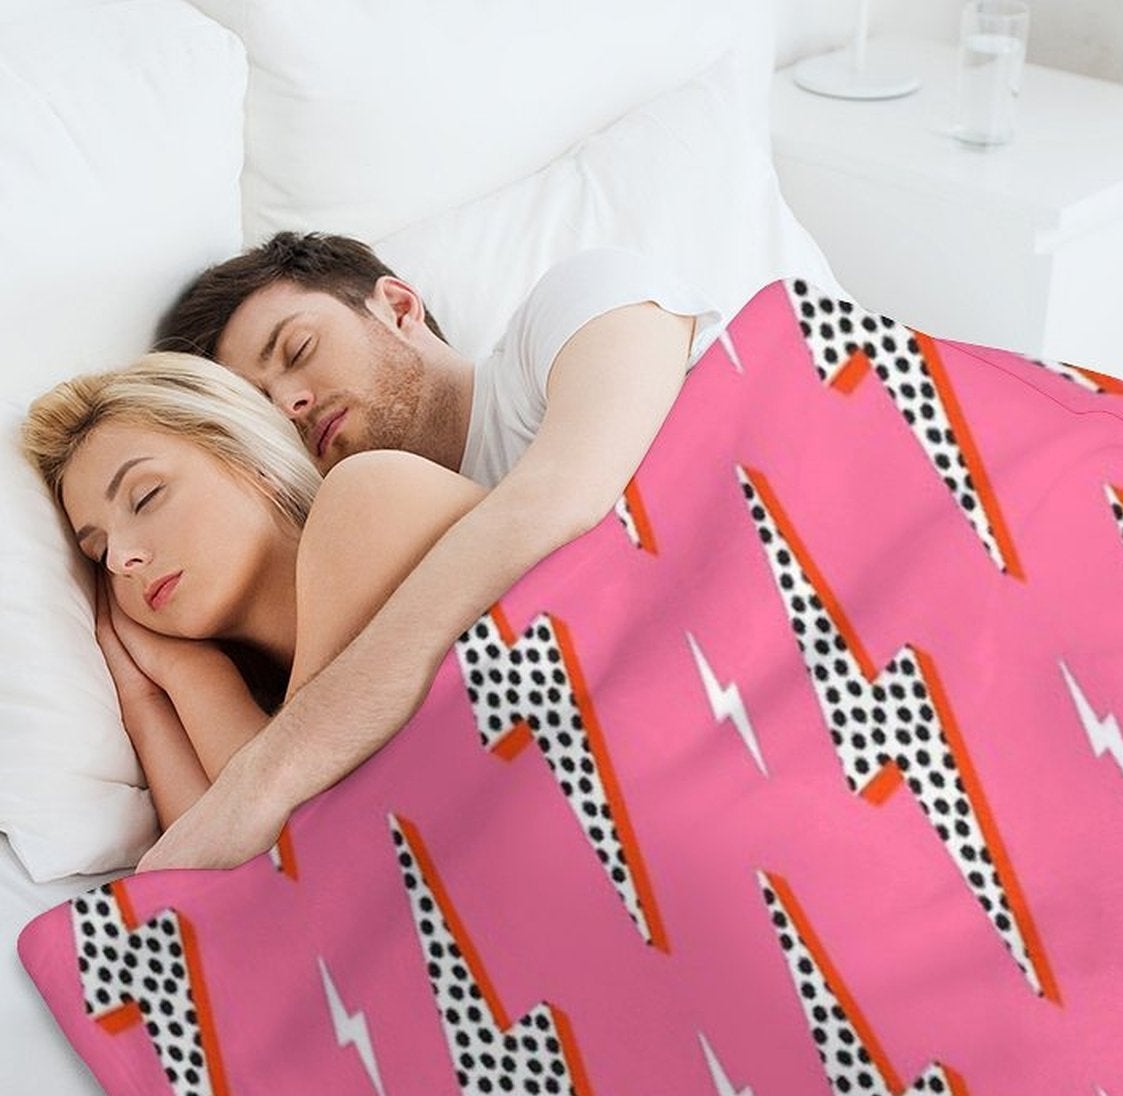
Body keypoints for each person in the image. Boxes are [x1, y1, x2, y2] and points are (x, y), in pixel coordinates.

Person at [137, 233, 724, 870]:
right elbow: (325, 838)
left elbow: (561, 501)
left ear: (398, 306)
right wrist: (173, 673)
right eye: (263, 413)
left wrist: (270, 775)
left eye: (298, 349)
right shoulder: (365, 559)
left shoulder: (576, 305)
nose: (290, 404)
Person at [22, 354, 489, 833]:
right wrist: (147, 698)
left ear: (249, 462)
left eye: (145, 497)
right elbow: (212, 872)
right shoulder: (257, 717)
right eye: (99, 553)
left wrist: (198, 681)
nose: (121, 559)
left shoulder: (372, 495)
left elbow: (294, 825)